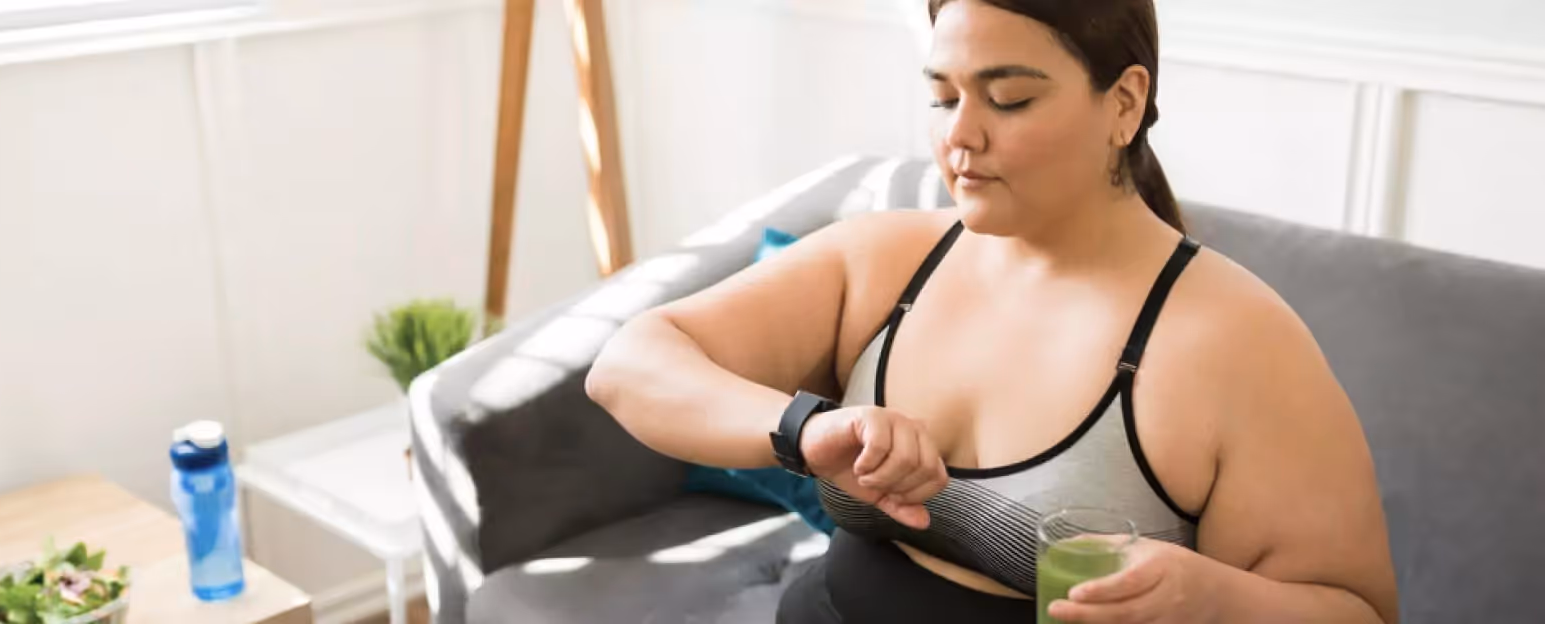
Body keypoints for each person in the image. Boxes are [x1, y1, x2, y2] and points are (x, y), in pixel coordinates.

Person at [585, 0, 1399, 621]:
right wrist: (810, 430)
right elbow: (630, 366)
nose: (960, 137)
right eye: (943, 98)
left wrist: (1215, 601)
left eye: (1007, 98)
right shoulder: (887, 260)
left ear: (1124, 103)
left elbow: (1357, 611)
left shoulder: (1233, 341)